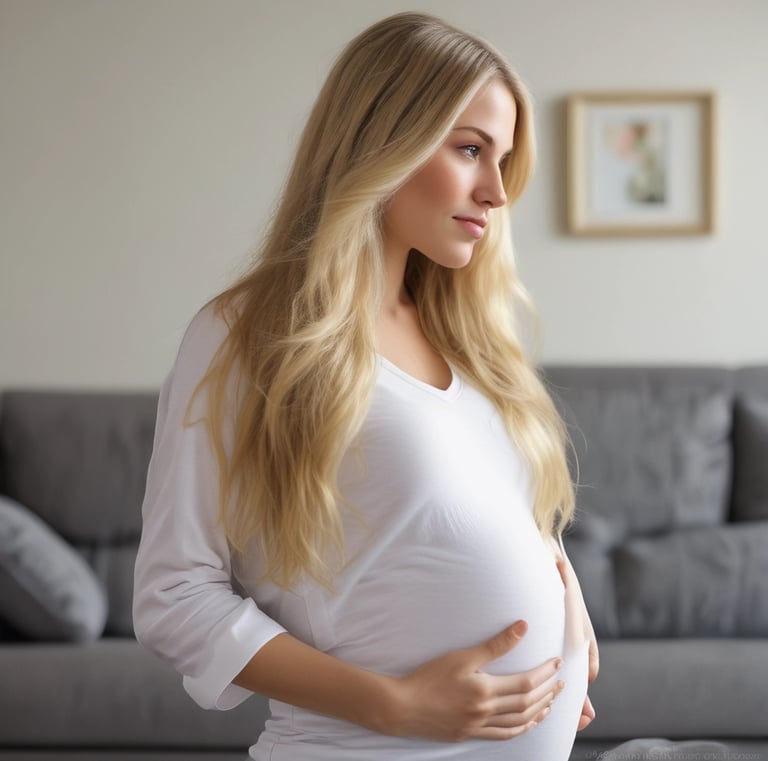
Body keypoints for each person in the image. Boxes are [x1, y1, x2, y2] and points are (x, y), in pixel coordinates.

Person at [133, 11, 598, 761]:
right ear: (383, 140)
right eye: (470, 149)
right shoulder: (248, 336)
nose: (496, 191)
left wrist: (566, 604)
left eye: (502, 159)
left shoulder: (469, 338)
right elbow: (173, 596)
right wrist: (394, 704)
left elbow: (479, 511)